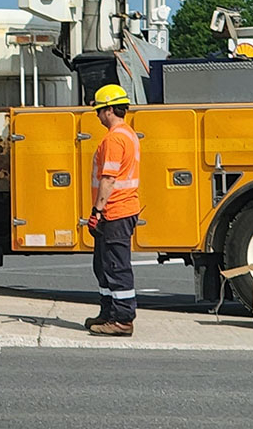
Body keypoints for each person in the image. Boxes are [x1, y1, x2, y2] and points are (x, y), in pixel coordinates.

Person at [85, 83, 140, 336]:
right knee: (104, 265)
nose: (97, 115)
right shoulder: (127, 133)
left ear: (108, 110)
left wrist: (97, 211)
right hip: (119, 209)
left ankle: (122, 320)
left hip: (115, 211)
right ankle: (108, 312)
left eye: (98, 110)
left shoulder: (114, 138)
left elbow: (108, 178)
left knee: (116, 266)